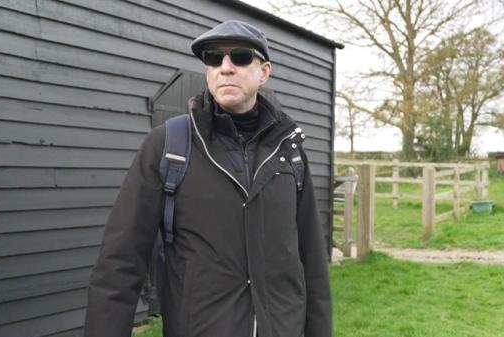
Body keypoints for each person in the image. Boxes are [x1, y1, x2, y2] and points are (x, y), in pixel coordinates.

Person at [84, 20, 332, 337]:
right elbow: (119, 263)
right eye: (214, 58)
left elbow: (312, 261)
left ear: (264, 71)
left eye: (240, 57)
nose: (225, 68)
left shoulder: (289, 151)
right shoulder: (169, 146)